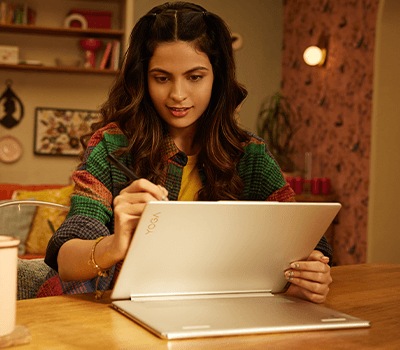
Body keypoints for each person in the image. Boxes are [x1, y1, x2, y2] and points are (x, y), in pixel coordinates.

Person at [44, 1, 332, 303]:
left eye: (195, 77)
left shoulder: (250, 154)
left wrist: (311, 274)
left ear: (217, 78)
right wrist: (115, 245)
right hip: (125, 316)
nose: (177, 95)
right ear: (143, 79)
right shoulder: (112, 146)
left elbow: (309, 238)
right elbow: (66, 258)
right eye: (162, 78)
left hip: (225, 314)